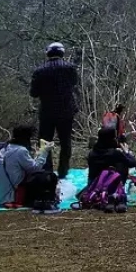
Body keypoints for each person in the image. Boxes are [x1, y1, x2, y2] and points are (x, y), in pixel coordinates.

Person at [29, 42, 79, 179]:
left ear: (48, 53)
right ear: (62, 53)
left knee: (45, 142)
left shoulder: (39, 70)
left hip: (47, 111)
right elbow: (74, 84)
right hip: (66, 110)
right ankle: (63, 170)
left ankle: (47, 171)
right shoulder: (70, 68)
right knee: (66, 141)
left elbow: (33, 93)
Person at [0, 125, 61, 212]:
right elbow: (36, 168)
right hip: (11, 196)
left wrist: (38, 155)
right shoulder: (21, 151)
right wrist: (44, 152)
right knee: (49, 177)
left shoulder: (5, 148)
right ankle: (48, 202)